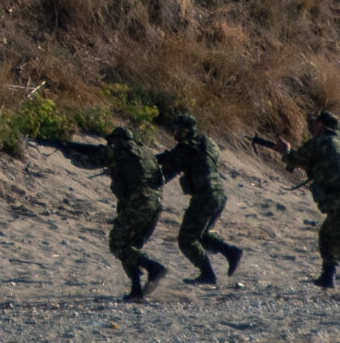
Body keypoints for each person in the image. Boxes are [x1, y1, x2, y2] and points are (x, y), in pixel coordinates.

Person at [279, 111, 340, 293]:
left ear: (322, 126)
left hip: (338, 197)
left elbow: (295, 158)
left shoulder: (320, 142)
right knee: (326, 234)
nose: (312, 128)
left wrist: (286, 151)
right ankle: (327, 276)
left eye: (315, 124)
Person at [160, 113, 243, 285]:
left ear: (188, 131)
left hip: (204, 196)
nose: (176, 135)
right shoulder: (208, 142)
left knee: (186, 240)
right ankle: (230, 251)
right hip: (218, 195)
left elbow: (165, 175)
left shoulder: (185, 149)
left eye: (179, 132)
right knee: (200, 235)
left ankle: (207, 274)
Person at [99, 124, 171, 301]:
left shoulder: (120, 150)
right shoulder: (146, 153)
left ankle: (154, 267)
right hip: (156, 204)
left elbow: (90, 161)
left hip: (138, 203)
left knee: (118, 245)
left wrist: (70, 153)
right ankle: (136, 291)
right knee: (131, 248)